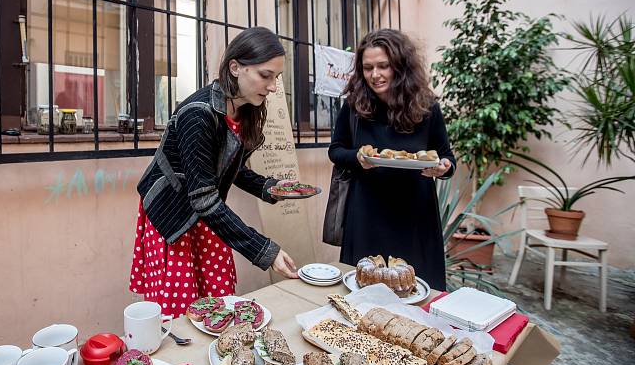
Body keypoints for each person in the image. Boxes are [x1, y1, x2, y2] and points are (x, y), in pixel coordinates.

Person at [129, 26, 299, 317]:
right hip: (175, 216)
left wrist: (269, 187)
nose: (272, 87)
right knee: (183, 315)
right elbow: (204, 196)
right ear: (235, 67)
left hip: (206, 213)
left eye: (276, 78)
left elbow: (228, 170)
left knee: (217, 305)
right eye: (265, 75)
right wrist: (265, 251)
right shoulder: (198, 113)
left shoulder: (244, 109)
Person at [328, 29, 455, 290]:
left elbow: (446, 157)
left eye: (383, 66)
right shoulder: (354, 105)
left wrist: (442, 168)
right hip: (366, 212)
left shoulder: (426, 105)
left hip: (416, 215)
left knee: (416, 291)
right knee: (363, 292)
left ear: (400, 65)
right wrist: (357, 157)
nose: (375, 75)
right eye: (368, 68)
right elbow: (336, 150)